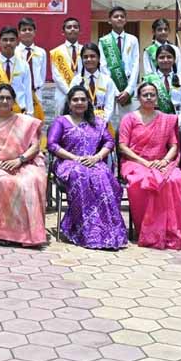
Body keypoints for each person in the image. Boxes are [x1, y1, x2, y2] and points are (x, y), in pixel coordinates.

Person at [47, 86, 127, 250]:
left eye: (83, 99)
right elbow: (52, 145)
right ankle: (84, 231)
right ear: (69, 103)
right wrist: (75, 158)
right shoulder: (61, 121)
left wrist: (97, 157)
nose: (79, 102)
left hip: (93, 161)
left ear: (89, 102)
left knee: (103, 175)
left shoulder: (97, 122)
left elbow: (109, 142)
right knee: (80, 174)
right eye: (75, 99)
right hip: (67, 162)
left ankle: (108, 232)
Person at [118, 82, 181, 250]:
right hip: (135, 162)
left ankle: (172, 230)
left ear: (157, 98)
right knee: (144, 181)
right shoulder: (129, 118)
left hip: (161, 162)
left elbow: (174, 145)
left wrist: (165, 161)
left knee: (178, 180)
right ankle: (148, 231)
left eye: (152, 94)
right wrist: (144, 162)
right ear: (138, 98)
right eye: (145, 94)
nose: (149, 97)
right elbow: (122, 146)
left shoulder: (166, 119)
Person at [0, 84, 47, 247]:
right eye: (1, 98)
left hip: (22, 163)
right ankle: (5, 233)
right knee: (5, 182)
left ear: (14, 101)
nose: (5, 101)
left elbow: (35, 146)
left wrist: (20, 160)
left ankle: (30, 233)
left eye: (8, 98)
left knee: (33, 179)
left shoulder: (24, 121)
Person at [98, 6, 140, 130]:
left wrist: (129, 90)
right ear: (109, 20)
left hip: (127, 85)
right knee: (107, 120)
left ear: (126, 20)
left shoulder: (133, 39)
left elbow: (135, 65)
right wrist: (115, 90)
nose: (119, 19)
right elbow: (103, 65)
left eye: (122, 16)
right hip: (110, 85)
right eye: (116, 16)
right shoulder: (104, 41)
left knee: (128, 122)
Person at [0, 27, 34, 115]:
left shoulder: (24, 65)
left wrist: (30, 114)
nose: (8, 43)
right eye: (5, 40)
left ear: (17, 42)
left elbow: (28, 92)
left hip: (18, 113)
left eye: (12, 40)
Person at [68, 44, 117, 122]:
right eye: (85, 57)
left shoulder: (107, 81)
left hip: (103, 122)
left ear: (98, 58)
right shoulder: (76, 81)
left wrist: (102, 123)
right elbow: (72, 104)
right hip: (81, 121)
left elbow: (109, 106)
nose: (89, 59)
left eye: (92, 56)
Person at [142, 44, 181, 115]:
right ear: (156, 60)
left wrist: (178, 119)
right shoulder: (149, 80)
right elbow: (144, 103)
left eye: (169, 57)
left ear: (174, 59)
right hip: (154, 117)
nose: (165, 60)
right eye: (161, 57)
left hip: (177, 118)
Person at [16, 17, 48, 120]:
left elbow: (42, 74)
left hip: (36, 93)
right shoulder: (15, 51)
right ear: (19, 33)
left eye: (30, 29)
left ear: (35, 32)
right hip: (19, 92)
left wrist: (37, 87)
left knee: (36, 122)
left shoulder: (41, 52)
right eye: (24, 30)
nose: (27, 32)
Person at [49, 17, 83, 114]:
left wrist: (78, 92)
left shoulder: (85, 50)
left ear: (79, 31)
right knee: (62, 119)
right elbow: (56, 76)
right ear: (63, 32)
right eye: (69, 27)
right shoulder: (56, 52)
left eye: (75, 27)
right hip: (62, 93)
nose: (72, 29)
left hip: (82, 92)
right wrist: (70, 93)